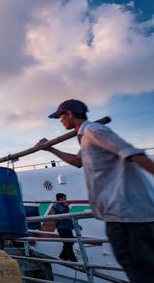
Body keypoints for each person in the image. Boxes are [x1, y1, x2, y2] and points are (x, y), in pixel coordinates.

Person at [37, 99, 154, 283]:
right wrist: (50, 149)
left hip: (127, 218)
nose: (60, 121)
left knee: (142, 274)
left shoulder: (94, 131)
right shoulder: (85, 139)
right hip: (118, 217)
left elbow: (134, 154)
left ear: (69, 114)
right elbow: (78, 162)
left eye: (60, 117)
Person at [52, 193, 77, 262]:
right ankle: (73, 261)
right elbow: (64, 211)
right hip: (61, 227)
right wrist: (66, 205)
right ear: (60, 198)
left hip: (67, 227)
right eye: (64, 198)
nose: (65, 200)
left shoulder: (62, 205)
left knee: (70, 242)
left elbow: (66, 211)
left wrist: (65, 205)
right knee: (67, 243)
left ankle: (63, 257)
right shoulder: (56, 204)